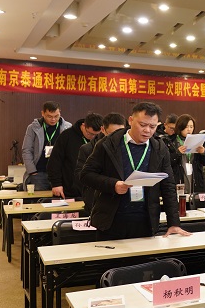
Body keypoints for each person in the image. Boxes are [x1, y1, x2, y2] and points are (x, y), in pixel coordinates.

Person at [80, 102, 190, 240]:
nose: (147, 130)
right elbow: (86, 175)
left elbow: (168, 186)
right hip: (111, 221)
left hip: (146, 222)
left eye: (152, 127)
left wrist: (173, 223)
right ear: (131, 120)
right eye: (142, 125)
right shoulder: (108, 143)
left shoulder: (159, 148)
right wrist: (113, 185)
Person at [75, 113, 127, 216]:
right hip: (97, 199)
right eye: (112, 133)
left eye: (120, 133)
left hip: (122, 200)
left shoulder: (128, 148)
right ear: (103, 129)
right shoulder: (88, 149)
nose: (116, 137)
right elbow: (81, 175)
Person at [47, 112, 102, 199]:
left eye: (96, 134)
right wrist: (56, 184)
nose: (92, 137)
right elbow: (55, 161)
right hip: (69, 188)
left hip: (91, 189)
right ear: (83, 125)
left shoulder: (100, 140)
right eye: (90, 133)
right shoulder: (66, 136)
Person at [22, 101, 72, 191]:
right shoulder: (33, 128)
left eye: (56, 116)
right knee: (39, 199)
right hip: (39, 173)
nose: (53, 119)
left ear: (60, 113)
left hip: (60, 173)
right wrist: (32, 170)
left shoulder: (68, 127)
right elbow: (27, 150)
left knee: (60, 199)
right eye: (49, 116)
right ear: (43, 113)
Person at [163, 114, 205, 195]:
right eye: (186, 127)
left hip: (195, 178)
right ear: (180, 127)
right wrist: (177, 153)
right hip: (178, 177)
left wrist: (203, 153)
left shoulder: (198, 140)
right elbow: (167, 163)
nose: (189, 129)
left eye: (191, 127)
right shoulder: (170, 141)